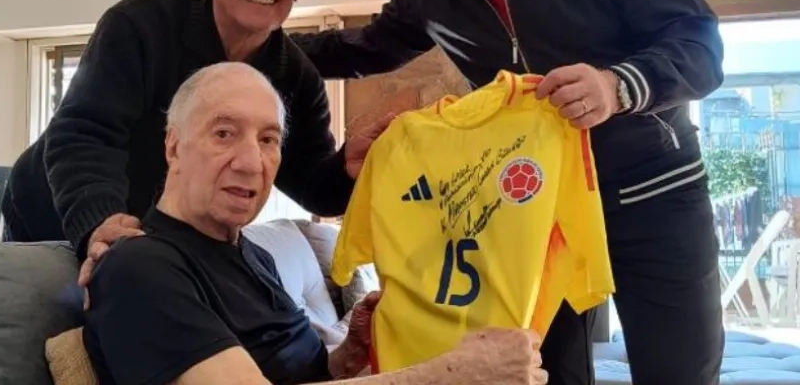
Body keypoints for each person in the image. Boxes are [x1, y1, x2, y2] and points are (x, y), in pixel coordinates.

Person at [291, 0, 725, 384]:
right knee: (538, 373)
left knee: (680, 370)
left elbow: (699, 45)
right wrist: (259, 44)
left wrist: (615, 86)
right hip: (527, 216)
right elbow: (367, 48)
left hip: (652, 193)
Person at [83, 61, 549, 385]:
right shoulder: (140, 267)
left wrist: (347, 354)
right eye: (224, 133)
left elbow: (294, 373)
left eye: (268, 139)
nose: (251, 162)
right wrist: (456, 375)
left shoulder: (253, 254)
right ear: (173, 147)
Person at [1, 0, 377, 277]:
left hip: (153, 241)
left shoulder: (297, 76)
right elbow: (84, 134)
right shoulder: (139, 26)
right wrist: (101, 221)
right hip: (52, 211)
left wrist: (347, 170)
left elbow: (311, 182)